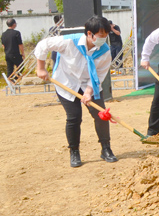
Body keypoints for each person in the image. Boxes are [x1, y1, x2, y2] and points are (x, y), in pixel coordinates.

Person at [34, 16, 117, 167]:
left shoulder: (104, 51)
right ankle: (74, 152)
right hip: (66, 82)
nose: (103, 39)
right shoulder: (69, 41)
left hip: (90, 84)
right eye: (101, 36)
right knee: (74, 118)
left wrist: (88, 92)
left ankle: (106, 149)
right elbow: (42, 45)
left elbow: (98, 75)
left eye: (106, 36)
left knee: (100, 116)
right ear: (90, 34)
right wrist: (40, 68)